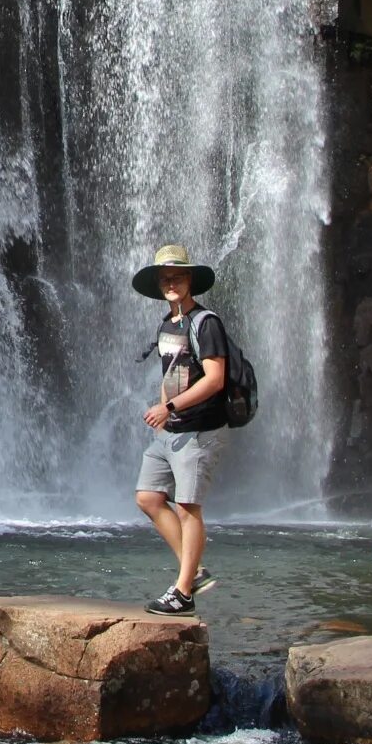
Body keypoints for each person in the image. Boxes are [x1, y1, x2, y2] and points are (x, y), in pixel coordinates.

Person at [132, 242, 227, 616]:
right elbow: (169, 374)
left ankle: (183, 592)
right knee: (149, 497)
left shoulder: (207, 323)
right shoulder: (167, 324)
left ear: (190, 279)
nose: (171, 283)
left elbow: (215, 379)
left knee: (188, 507)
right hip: (170, 430)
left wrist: (169, 407)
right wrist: (163, 412)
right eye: (165, 278)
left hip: (200, 430)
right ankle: (196, 570)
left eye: (178, 276)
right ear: (159, 284)